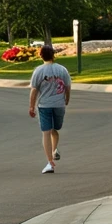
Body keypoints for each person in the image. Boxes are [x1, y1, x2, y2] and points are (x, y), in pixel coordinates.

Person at [28, 44, 71, 174]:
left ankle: (50, 161)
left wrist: (31, 106)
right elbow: (68, 86)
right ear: (53, 55)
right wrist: (66, 99)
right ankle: (52, 157)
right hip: (59, 104)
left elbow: (34, 90)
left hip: (44, 105)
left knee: (48, 131)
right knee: (53, 129)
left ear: (41, 56)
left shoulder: (38, 71)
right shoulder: (62, 69)